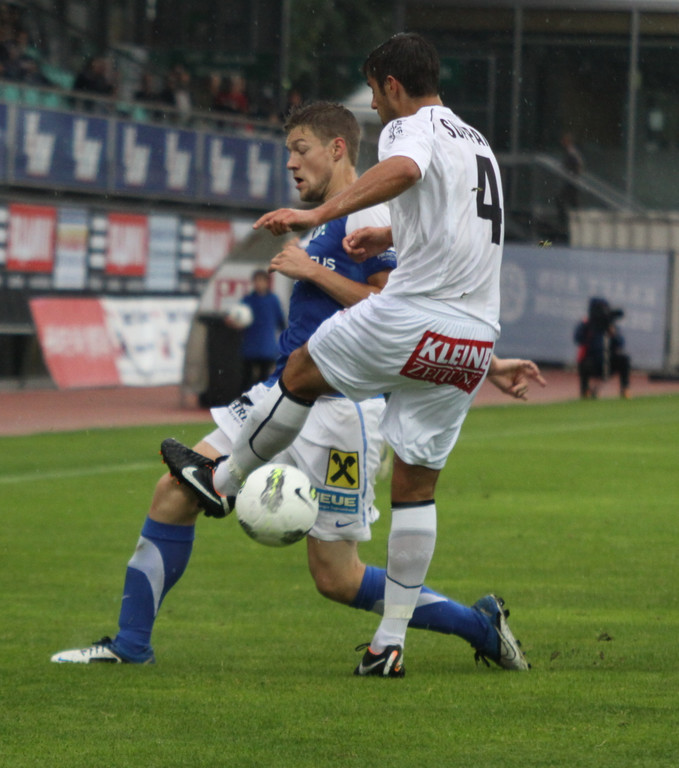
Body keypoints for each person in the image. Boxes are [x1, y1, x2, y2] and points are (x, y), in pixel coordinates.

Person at [50, 101, 543, 668]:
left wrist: (312, 271)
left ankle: (479, 626)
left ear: (337, 149)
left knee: (337, 577)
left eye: (300, 149)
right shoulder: (333, 219)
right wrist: (492, 363)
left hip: (341, 413)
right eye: (288, 151)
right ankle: (131, 645)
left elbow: (394, 309)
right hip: (280, 394)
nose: (290, 162)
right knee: (175, 492)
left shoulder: (366, 213)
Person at [233, 269, 286, 391]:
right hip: (250, 347)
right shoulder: (247, 300)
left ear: (267, 283)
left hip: (267, 347)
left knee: (264, 378)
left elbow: (281, 322)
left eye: (261, 281)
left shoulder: (273, 300)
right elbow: (237, 319)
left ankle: (261, 401)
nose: (259, 284)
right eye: (256, 281)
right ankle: (244, 399)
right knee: (246, 378)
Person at [574, 297, 631, 399]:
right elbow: (578, 338)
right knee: (584, 364)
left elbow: (620, 344)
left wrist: (613, 333)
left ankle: (625, 389)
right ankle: (585, 390)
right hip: (593, 360)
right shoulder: (587, 324)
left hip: (610, 360)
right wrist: (589, 332)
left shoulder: (610, 324)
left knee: (624, 359)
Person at [556, 131, 584, 233]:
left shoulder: (572, 152)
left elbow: (578, 165)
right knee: (570, 202)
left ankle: (567, 224)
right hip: (570, 182)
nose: (562, 142)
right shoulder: (570, 152)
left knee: (564, 201)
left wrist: (573, 174)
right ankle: (572, 224)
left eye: (564, 141)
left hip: (571, 182)